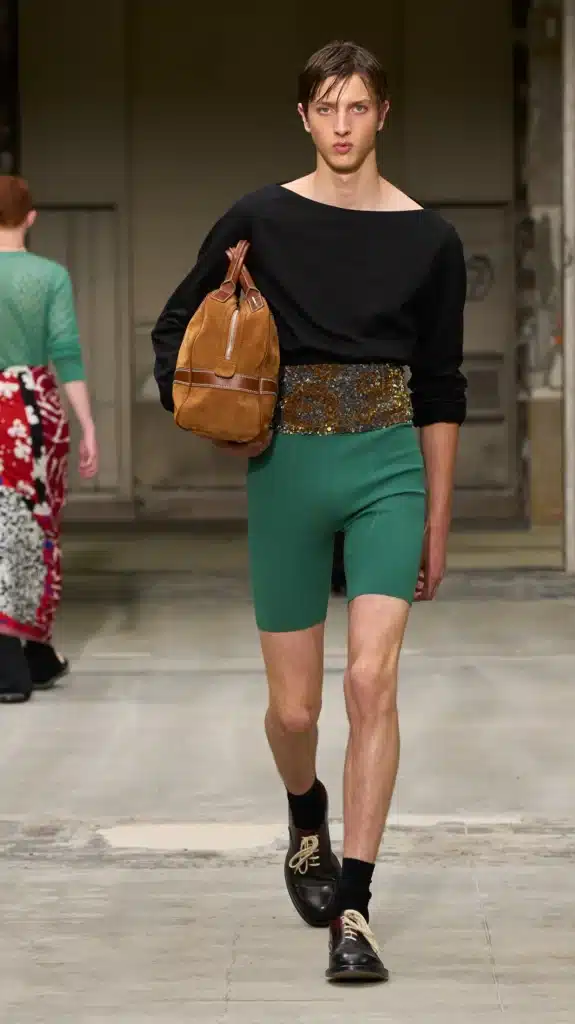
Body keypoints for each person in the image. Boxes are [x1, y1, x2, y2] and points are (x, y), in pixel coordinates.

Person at [152, 40, 467, 983]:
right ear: (302, 116)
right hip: (286, 466)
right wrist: (215, 423)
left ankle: (354, 912)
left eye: (357, 107)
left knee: (371, 683)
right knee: (294, 711)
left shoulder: (430, 239)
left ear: (383, 114)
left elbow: (441, 387)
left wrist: (437, 520)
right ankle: (304, 813)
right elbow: (174, 329)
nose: (341, 125)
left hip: (387, 468)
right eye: (325, 108)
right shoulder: (259, 217)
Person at [0, 176, 98, 704]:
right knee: (36, 526)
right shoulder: (50, 276)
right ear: (31, 217)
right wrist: (88, 425)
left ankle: (19, 658)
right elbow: (66, 352)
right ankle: (28, 652)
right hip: (34, 411)